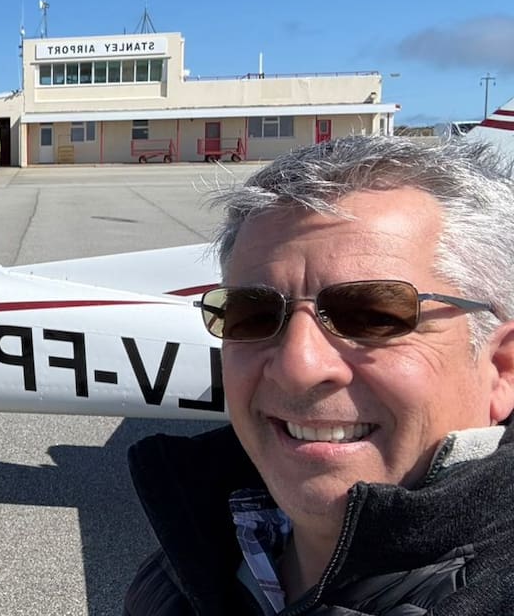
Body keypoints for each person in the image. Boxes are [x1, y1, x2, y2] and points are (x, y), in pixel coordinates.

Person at [124, 135, 514, 615]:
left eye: (372, 315)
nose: (298, 367)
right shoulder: (189, 553)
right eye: (252, 314)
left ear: (501, 370)